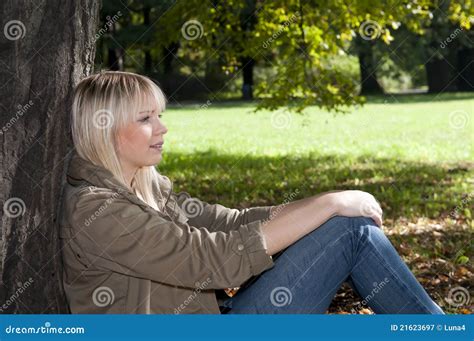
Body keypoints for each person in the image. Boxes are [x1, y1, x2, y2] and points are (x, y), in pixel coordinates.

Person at [60, 70, 444, 314]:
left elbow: (233, 221)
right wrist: (331, 204)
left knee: (348, 224)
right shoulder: (98, 211)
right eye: (146, 119)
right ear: (104, 128)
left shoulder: (147, 189)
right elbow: (210, 261)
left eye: (160, 115)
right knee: (353, 231)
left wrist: (329, 204)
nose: (162, 128)